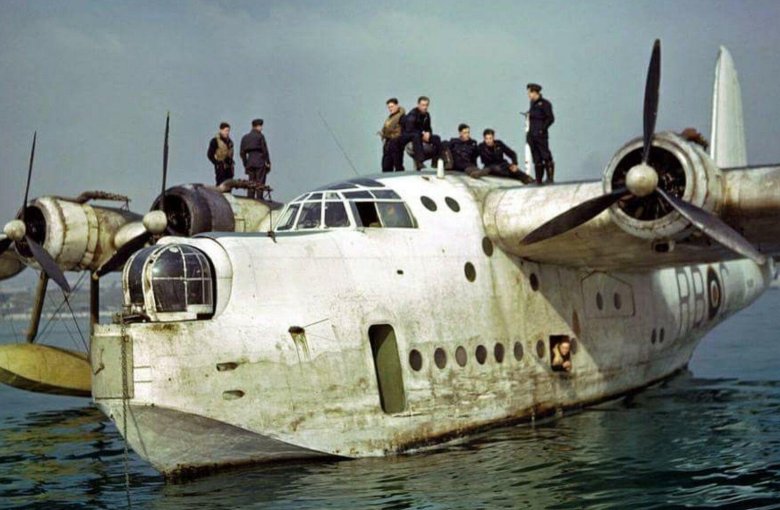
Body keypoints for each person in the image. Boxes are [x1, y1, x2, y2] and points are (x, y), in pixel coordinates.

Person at [392, 96, 442, 171]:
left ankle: (435, 161)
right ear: (418, 105)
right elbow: (410, 129)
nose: (425, 107)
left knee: (437, 138)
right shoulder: (412, 115)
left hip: (420, 134)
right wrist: (422, 134)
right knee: (416, 136)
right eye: (423, 105)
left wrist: (428, 133)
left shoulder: (426, 115)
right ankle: (419, 162)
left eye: (426, 105)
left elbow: (428, 127)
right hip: (408, 136)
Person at [526, 83, 555, 184]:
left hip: (540, 134)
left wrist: (542, 129)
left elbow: (550, 118)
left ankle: (550, 177)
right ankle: (539, 180)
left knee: (545, 155)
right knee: (536, 158)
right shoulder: (532, 104)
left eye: (529, 93)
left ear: (535, 92)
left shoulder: (545, 104)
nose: (528, 95)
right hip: (532, 134)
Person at [240, 118, 272, 199]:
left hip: (250, 161)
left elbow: (242, 153)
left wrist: (245, 163)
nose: (261, 128)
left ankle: (250, 199)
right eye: (260, 126)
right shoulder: (260, 136)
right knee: (260, 183)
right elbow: (265, 150)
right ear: (257, 126)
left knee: (251, 183)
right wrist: (268, 162)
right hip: (259, 161)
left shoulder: (245, 137)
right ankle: (259, 200)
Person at [379, 98, 406, 172]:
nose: (390, 109)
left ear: (397, 105)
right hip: (388, 143)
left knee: (398, 165)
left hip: (396, 143)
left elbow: (405, 130)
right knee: (386, 166)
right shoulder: (390, 118)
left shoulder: (402, 117)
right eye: (389, 107)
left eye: (392, 106)